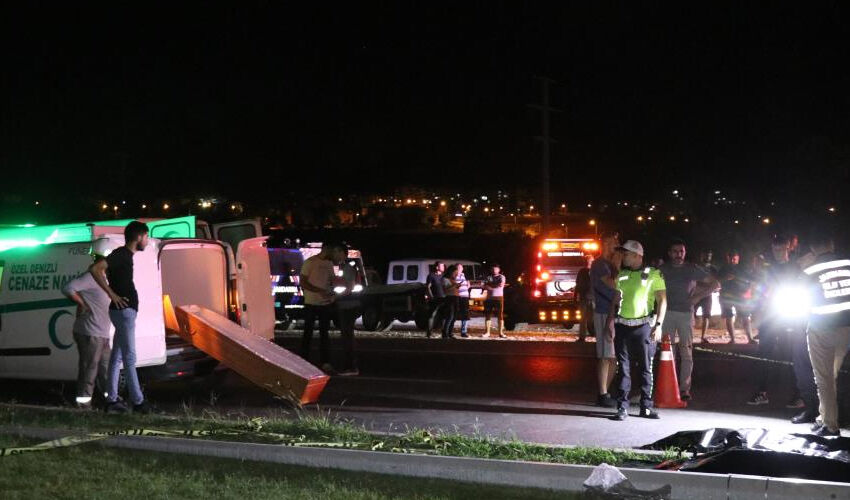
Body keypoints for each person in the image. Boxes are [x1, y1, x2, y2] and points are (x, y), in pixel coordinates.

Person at [747, 236, 819, 422]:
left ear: (788, 248)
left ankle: (798, 394)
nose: (778, 252)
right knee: (764, 353)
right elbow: (760, 291)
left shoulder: (795, 267)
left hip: (791, 314)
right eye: (775, 249)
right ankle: (762, 391)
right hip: (771, 316)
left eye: (781, 249)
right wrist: (757, 310)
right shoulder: (768, 269)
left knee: (793, 356)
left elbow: (806, 286)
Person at [89, 221, 156, 414]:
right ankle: (138, 401)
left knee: (117, 357)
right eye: (146, 236)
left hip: (124, 312)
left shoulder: (125, 256)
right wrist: (112, 294)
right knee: (129, 356)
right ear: (138, 237)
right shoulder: (121, 255)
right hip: (124, 312)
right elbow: (95, 269)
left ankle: (112, 400)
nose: (147, 240)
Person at [610, 240, 667, 421]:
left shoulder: (653, 274)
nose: (623, 256)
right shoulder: (622, 275)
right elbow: (616, 299)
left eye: (626, 254)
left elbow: (662, 301)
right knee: (623, 369)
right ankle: (622, 407)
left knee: (645, 368)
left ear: (637, 255)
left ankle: (646, 407)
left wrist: (658, 325)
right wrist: (609, 323)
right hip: (622, 326)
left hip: (644, 327)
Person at [61, 238, 120, 409]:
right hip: (90, 332)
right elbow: (68, 287)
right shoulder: (91, 277)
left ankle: (112, 401)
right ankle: (83, 407)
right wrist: (82, 303)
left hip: (101, 332)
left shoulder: (104, 277)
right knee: (90, 369)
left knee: (106, 370)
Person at [802, 234, 850, 437]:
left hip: (821, 328)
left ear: (813, 249)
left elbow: (802, 301)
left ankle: (830, 426)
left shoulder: (809, 271)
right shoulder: (848, 264)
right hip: (847, 327)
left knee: (824, 378)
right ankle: (823, 418)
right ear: (831, 243)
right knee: (833, 374)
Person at [659, 239, 717, 401]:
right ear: (670, 253)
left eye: (681, 251)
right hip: (667, 313)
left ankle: (684, 389)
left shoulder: (692, 269)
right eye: (675, 251)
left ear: (685, 253)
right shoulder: (662, 269)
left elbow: (715, 284)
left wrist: (697, 296)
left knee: (686, 352)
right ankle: (666, 384)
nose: (678, 254)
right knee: (667, 351)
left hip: (685, 314)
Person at [300, 241, 346, 374]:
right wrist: (318, 290)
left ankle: (325, 363)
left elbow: (332, 280)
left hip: (325, 304)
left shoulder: (329, 264)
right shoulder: (310, 262)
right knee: (308, 333)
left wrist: (342, 282)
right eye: (332, 251)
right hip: (311, 303)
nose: (333, 255)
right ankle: (303, 362)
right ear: (326, 249)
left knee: (324, 334)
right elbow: (303, 282)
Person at [590, 231, 620, 407]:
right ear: (603, 245)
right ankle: (602, 393)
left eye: (615, 243)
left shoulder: (611, 264)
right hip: (603, 311)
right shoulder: (599, 264)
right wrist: (616, 265)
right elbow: (612, 284)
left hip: (615, 311)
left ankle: (605, 392)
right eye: (610, 243)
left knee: (613, 356)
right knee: (605, 355)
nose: (613, 247)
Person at [718, 251, 755, 344]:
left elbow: (750, 281)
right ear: (727, 258)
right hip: (726, 296)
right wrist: (725, 278)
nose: (732, 261)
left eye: (734, 259)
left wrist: (748, 291)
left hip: (740, 296)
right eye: (731, 259)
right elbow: (717, 281)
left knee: (745, 317)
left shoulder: (742, 269)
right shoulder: (723, 269)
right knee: (729, 317)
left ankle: (750, 338)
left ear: (738, 259)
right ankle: (732, 339)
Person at [334, 248, 360, 376]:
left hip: (348, 306)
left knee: (347, 336)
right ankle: (349, 366)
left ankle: (350, 367)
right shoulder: (344, 269)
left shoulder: (347, 269)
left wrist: (335, 297)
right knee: (346, 336)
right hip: (346, 305)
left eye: (337, 252)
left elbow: (349, 287)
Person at [696, 250, 718, 343]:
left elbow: (716, 280)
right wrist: (708, 285)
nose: (708, 257)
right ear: (701, 256)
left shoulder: (713, 269)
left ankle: (703, 337)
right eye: (706, 255)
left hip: (708, 295)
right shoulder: (696, 267)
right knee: (691, 314)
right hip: (696, 294)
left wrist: (715, 287)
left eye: (709, 255)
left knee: (706, 316)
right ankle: (689, 334)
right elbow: (695, 280)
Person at [483, 264, 506, 338]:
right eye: (493, 269)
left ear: (499, 270)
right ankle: (487, 332)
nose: (494, 270)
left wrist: (490, 285)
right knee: (488, 315)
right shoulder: (488, 277)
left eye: (496, 269)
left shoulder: (501, 277)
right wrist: (490, 285)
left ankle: (501, 332)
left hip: (498, 298)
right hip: (489, 298)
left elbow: (500, 285)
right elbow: (484, 286)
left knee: (500, 315)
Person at [425, 261, 447, 338]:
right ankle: (429, 332)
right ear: (437, 267)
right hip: (435, 299)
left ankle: (444, 333)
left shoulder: (444, 276)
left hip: (444, 298)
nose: (443, 267)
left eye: (444, 266)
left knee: (444, 316)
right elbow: (428, 287)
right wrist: (431, 297)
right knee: (432, 315)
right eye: (442, 266)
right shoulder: (431, 275)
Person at [575, 255, 594, 342]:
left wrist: (576, 296)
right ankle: (584, 336)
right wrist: (575, 296)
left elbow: (578, 285)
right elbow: (578, 284)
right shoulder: (585, 271)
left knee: (587, 318)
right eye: (588, 260)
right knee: (585, 318)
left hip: (589, 298)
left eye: (589, 260)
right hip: (587, 298)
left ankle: (586, 335)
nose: (588, 262)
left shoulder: (589, 271)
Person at [441, 265, 461, 339]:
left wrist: (457, 286)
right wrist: (455, 285)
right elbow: (445, 290)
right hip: (449, 298)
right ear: (450, 272)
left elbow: (453, 288)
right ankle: (445, 333)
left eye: (457, 273)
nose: (456, 274)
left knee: (454, 317)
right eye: (455, 272)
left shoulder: (453, 279)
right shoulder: (445, 279)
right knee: (450, 316)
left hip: (456, 298)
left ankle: (450, 333)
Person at [455, 264, 471, 337]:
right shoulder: (454, 276)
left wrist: (468, 285)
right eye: (458, 267)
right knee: (455, 314)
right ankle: (448, 330)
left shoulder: (464, 275)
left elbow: (467, 285)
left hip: (465, 296)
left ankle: (463, 331)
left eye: (461, 267)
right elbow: (454, 286)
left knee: (465, 314)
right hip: (458, 297)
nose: (460, 269)